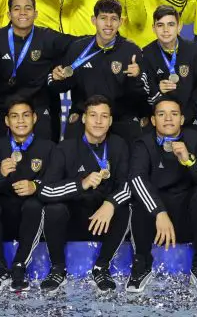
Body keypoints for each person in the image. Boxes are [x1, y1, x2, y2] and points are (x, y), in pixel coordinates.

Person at [34, 95, 131, 292]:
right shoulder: (65, 148)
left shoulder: (119, 145)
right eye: (93, 115)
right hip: (72, 220)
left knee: (124, 207)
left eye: (104, 116)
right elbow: (45, 190)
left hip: (104, 222)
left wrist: (110, 204)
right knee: (54, 209)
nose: (98, 121)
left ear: (110, 121)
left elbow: (128, 185)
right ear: (84, 118)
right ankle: (58, 268)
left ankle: (102, 267)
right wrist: (81, 184)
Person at [126, 96, 197, 293]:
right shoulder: (143, 143)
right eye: (162, 114)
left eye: (174, 114)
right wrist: (159, 212)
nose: (168, 118)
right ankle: (142, 262)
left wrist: (189, 160)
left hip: (187, 218)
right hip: (156, 222)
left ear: (182, 119)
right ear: (153, 120)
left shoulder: (195, 139)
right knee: (139, 198)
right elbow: (136, 179)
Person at [0, 98, 59, 292]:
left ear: (35, 118)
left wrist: (35, 186)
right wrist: (0, 174)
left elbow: (54, 182)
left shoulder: (48, 147)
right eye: (14, 116)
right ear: (6, 121)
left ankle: (19, 265)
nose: (20, 121)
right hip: (2, 215)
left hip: (30, 215)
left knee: (35, 205)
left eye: (25, 115)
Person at [48, 0, 147, 146]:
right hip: (85, 117)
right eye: (103, 18)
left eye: (114, 19)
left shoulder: (131, 51)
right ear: (94, 20)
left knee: (135, 143)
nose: (108, 24)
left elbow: (142, 95)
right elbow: (60, 86)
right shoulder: (78, 48)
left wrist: (136, 78)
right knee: (68, 149)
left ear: (121, 22)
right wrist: (57, 79)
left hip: (119, 118)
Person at [0, 0, 74, 141]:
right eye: (17, 8)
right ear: (9, 14)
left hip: (39, 109)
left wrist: (62, 67)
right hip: (5, 109)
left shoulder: (47, 37)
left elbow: (79, 44)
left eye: (28, 8)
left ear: (36, 13)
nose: (23, 13)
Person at [141, 5, 197, 128]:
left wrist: (187, 115)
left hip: (187, 117)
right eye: (160, 25)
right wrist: (157, 89)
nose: (166, 30)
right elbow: (143, 93)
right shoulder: (146, 54)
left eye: (171, 24)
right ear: (153, 28)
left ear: (179, 27)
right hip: (157, 119)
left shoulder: (194, 51)